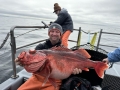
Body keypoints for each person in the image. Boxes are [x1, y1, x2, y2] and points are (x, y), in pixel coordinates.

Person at [15, 23, 81, 90]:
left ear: (61, 34)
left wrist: (73, 71)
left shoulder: (65, 51)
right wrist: (22, 62)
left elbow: (66, 69)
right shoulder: (40, 47)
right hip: (37, 78)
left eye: (57, 32)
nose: (54, 34)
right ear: (49, 33)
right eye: (52, 31)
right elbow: (32, 61)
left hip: (54, 81)